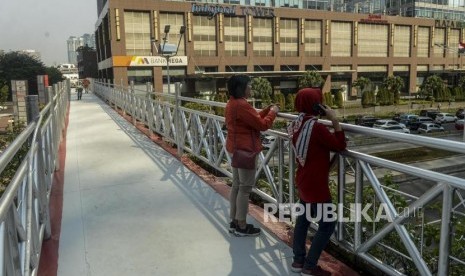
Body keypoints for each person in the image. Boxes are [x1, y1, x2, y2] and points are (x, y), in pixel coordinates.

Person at [287, 88, 347, 276]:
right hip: (316, 185)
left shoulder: (297, 124)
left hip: (304, 180)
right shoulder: (317, 128)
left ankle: (298, 260)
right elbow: (339, 145)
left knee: (303, 220)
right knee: (328, 224)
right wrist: (335, 120)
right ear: (316, 105)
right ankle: (310, 265)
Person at [225, 75, 279, 237]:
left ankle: (234, 221)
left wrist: (266, 110)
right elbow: (262, 125)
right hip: (245, 150)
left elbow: (252, 119)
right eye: (249, 86)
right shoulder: (242, 104)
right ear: (241, 88)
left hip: (235, 148)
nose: (251, 88)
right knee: (245, 188)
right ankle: (241, 225)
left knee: (236, 185)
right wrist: (273, 112)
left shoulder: (232, 103)